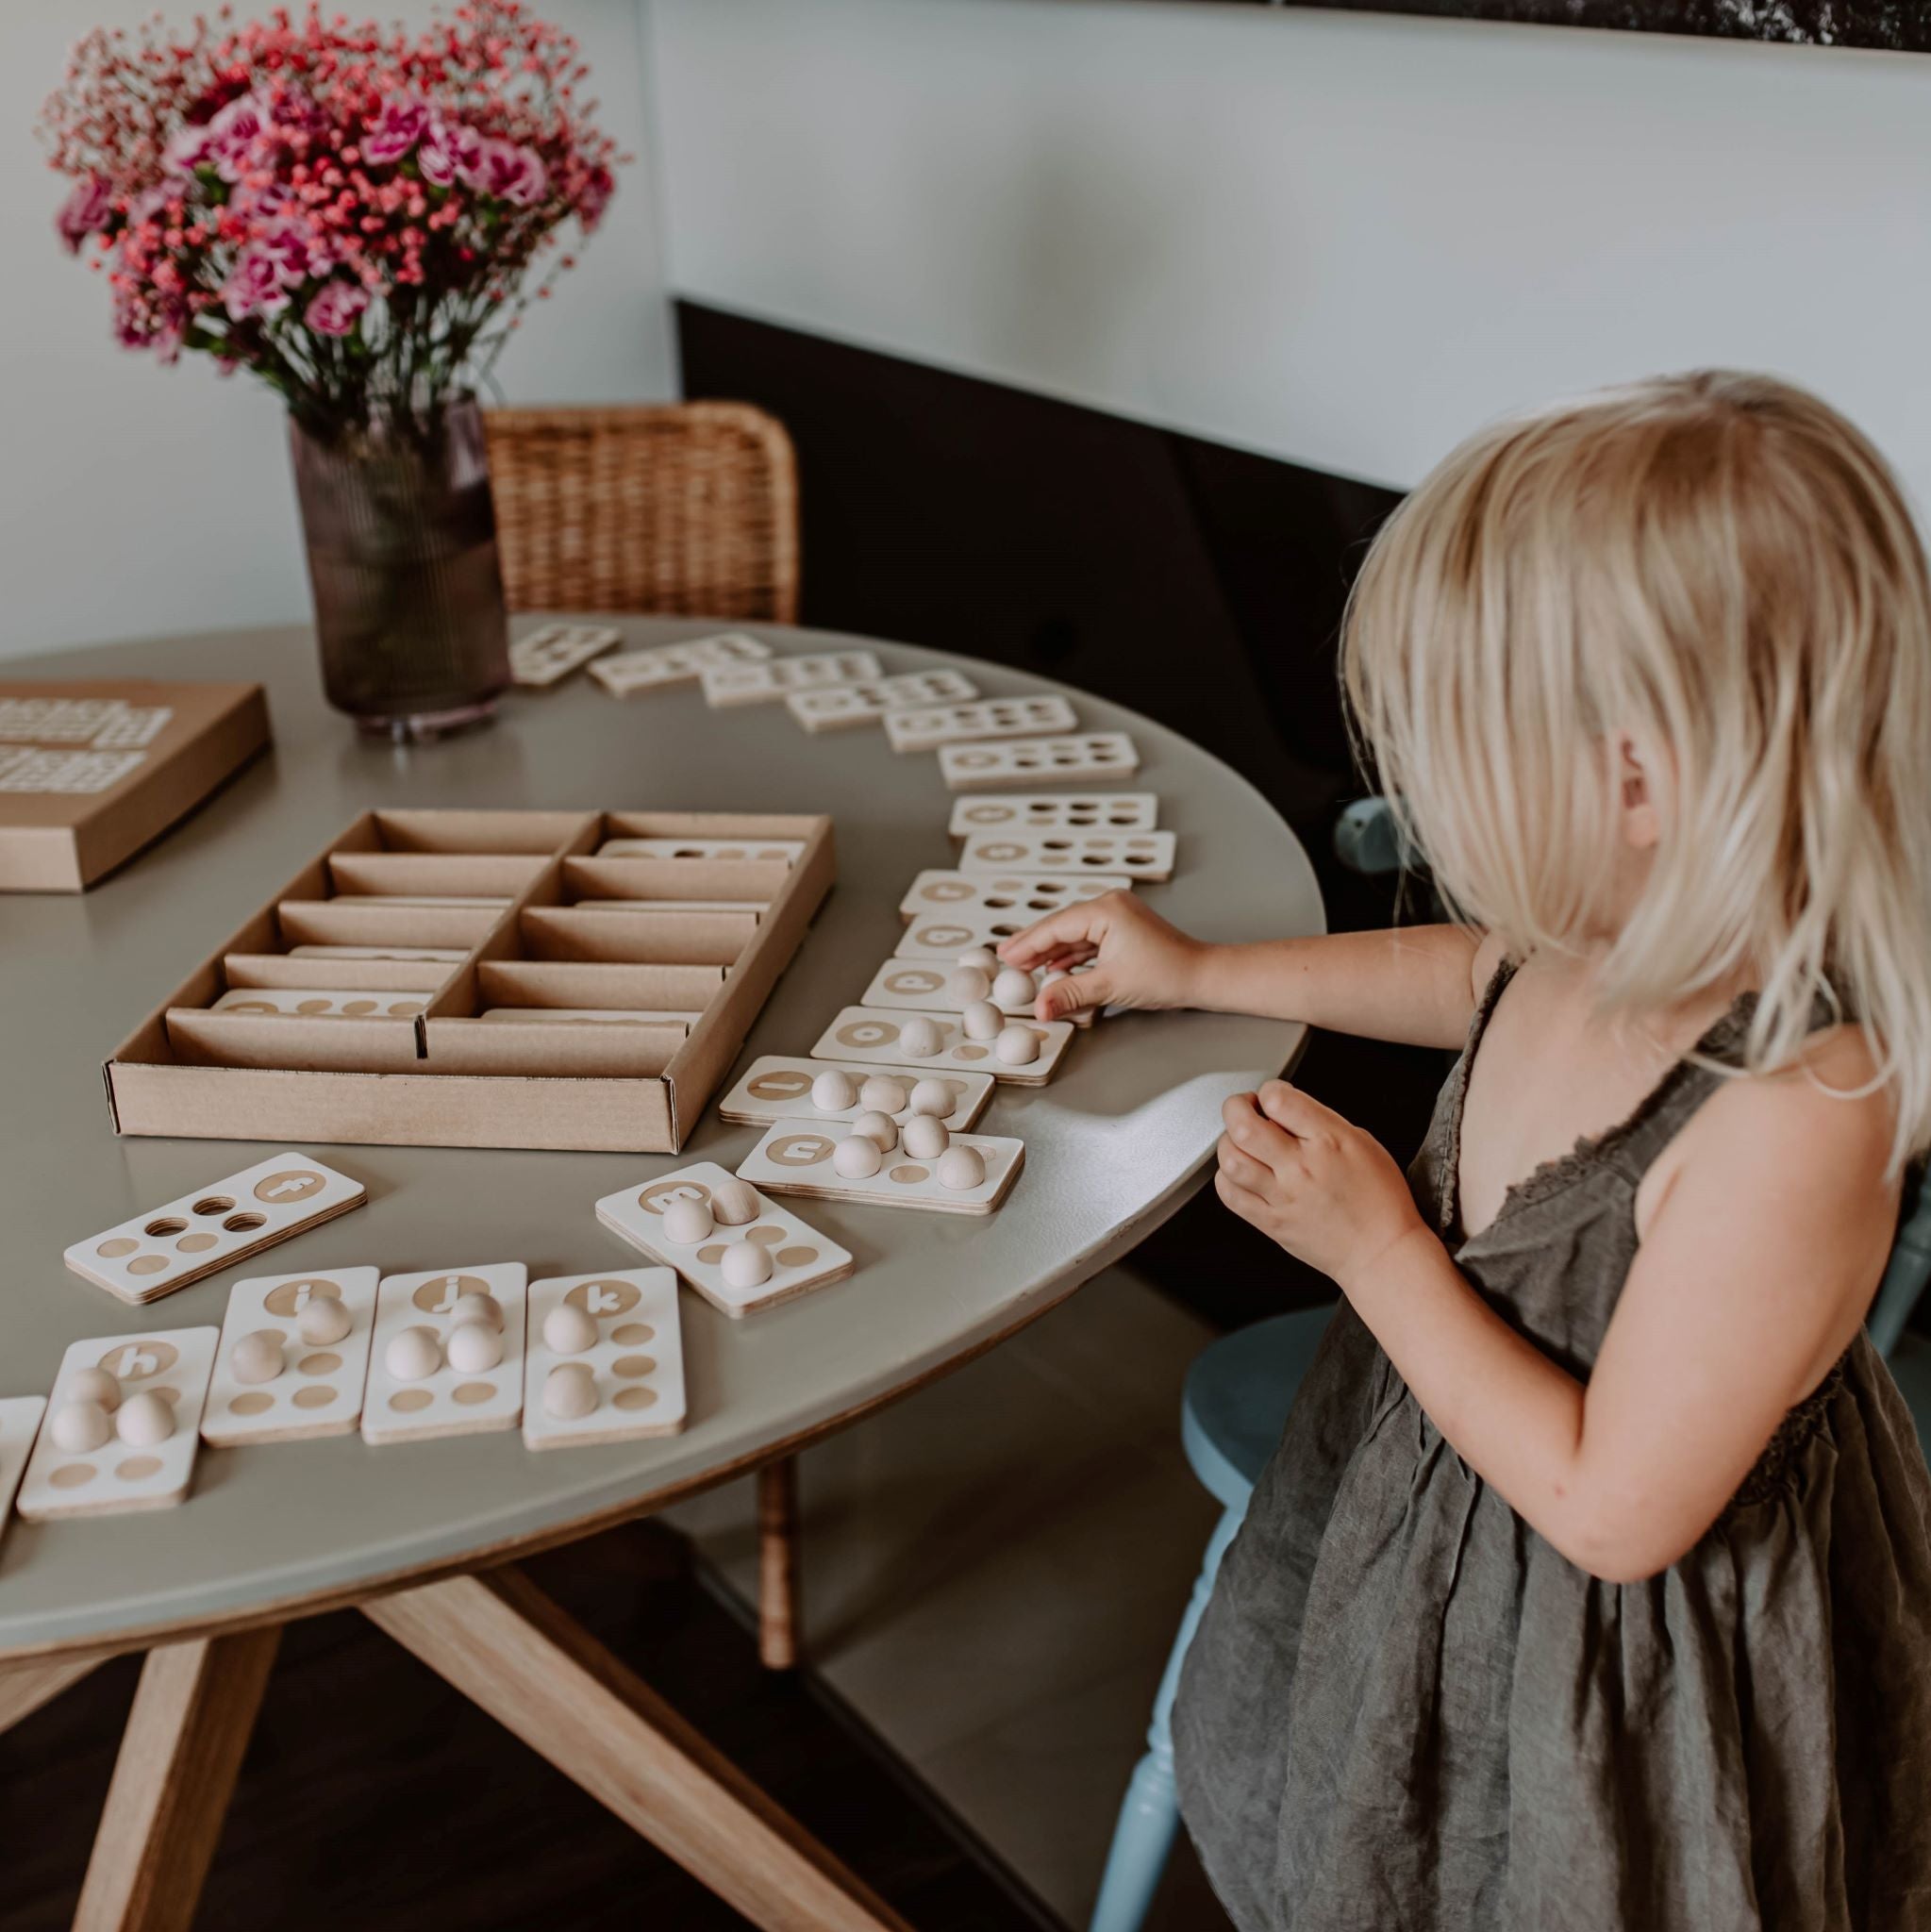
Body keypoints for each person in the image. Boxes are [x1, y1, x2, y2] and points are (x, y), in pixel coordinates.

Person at [1002, 373, 1931, 1930]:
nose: (1421, 791)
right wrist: (1201, 969)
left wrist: (1380, 1252)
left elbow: (1618, 1512)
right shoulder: (1605, 927)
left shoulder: (1797, 1111)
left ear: (1634, 779)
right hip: (1437, 1518)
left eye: (1453, 750)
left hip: (1617, 1665)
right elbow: (1471, 976)